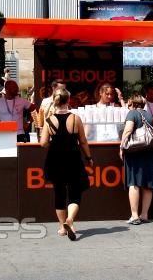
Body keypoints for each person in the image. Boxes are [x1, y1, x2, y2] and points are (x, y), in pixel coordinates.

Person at [40, 88, 92, 241]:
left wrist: (51, 140)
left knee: (59, 193)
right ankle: (70, 220)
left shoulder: (49, 121)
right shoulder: (75, 119)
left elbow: (43, 143)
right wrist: (89, 157)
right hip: (73, 159)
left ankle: (62, 227)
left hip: (55, 159)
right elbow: (83, 141)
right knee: (75, 192)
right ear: (68, 100)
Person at [119, 94, 153, 224]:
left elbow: (128, 131)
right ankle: (144, 214)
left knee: (134, 183)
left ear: (132, 103)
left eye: (129, 103)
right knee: (147, 185)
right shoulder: (148, 115)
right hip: (149, 152)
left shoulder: (132, 114)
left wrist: (121, 147)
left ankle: (135, 215)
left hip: (134, 152)